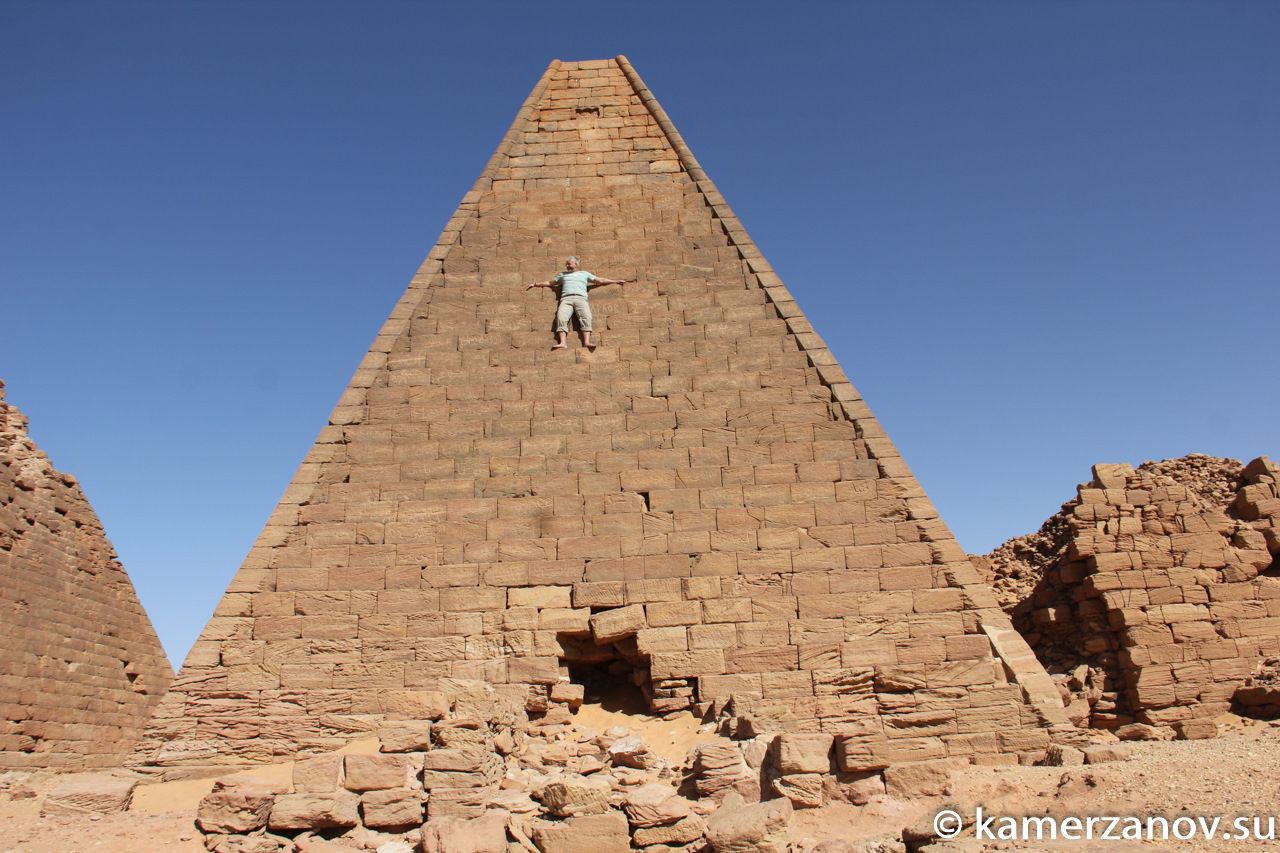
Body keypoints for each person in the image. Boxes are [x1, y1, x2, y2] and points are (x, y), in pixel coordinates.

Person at [525, 256, 634, 350]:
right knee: (561, 318)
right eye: (566, 264)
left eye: (569, 263)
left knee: (586, 317)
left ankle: (586, 342)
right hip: (566, 299)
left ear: (576, 264)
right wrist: (535, 284)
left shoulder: (584, 274)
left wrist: (615, 281)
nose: (567, 265)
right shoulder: (563, 275)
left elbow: (599, 280)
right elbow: (550, 282)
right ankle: (563, 343)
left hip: (580, 298)